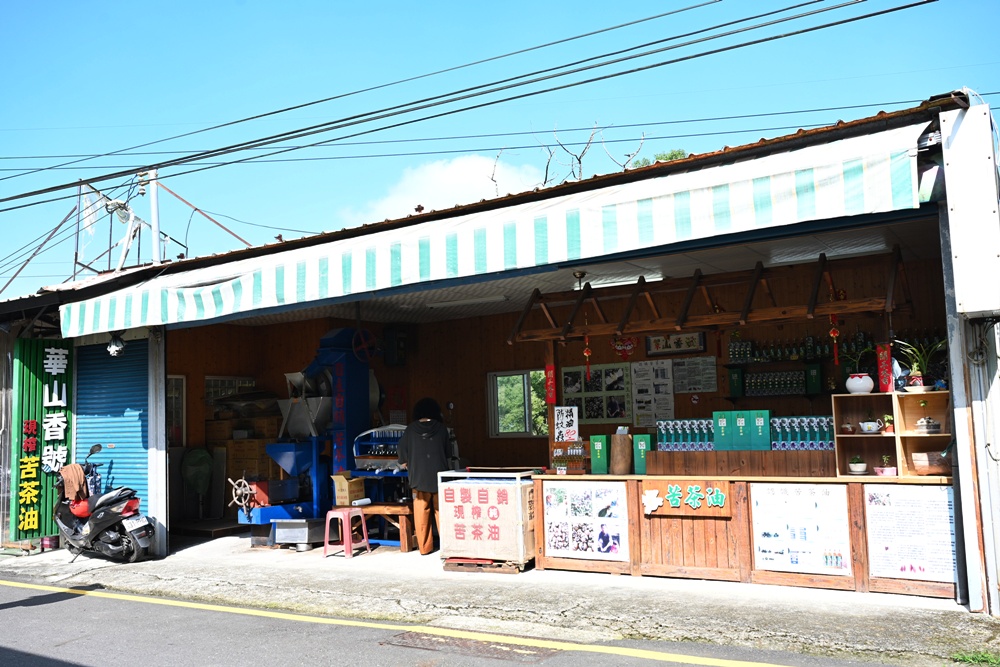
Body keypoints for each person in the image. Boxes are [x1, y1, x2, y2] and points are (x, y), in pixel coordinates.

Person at [397, 397, 453, 555]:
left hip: (418, 478)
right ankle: (447, 547)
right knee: (442, 513)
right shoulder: (442, 429)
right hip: (439, 478)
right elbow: (448, 453)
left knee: (421, 515)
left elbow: (401, 452)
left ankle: (424, 548)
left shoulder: (410, 429)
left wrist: (406, 462)